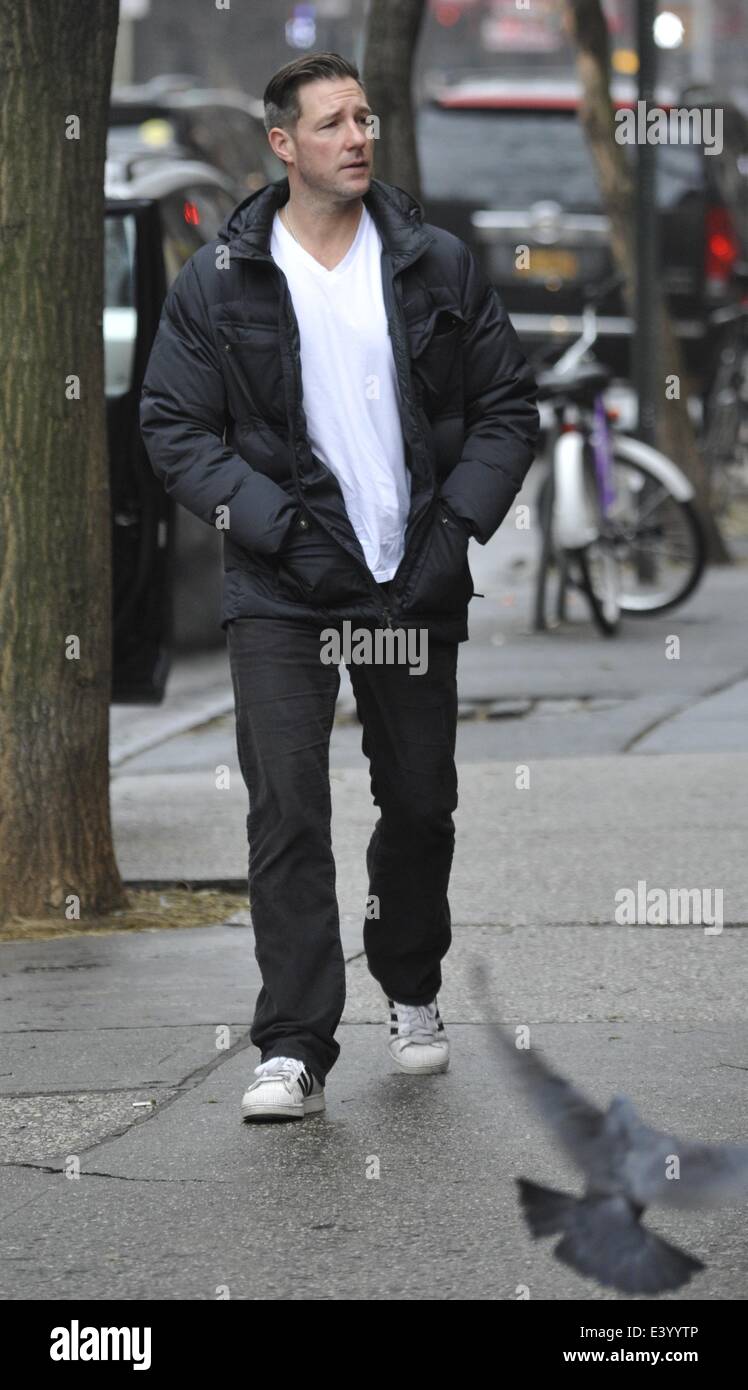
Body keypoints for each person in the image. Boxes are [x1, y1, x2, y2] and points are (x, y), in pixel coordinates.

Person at [139, 52, 540, 1123]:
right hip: (282, 591)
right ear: (282, 145)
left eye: (364, 117)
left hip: (408, 585)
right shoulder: (220, 278)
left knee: (417, 802)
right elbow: (173, 428)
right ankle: (294, 1044)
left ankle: (409, 986)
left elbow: (506, 406)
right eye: (331, 123)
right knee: (287, 807)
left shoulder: (432, 262)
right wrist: (274, 530)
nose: (357, 136)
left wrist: (453, 532)